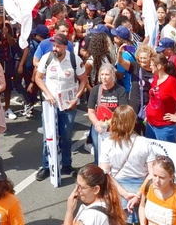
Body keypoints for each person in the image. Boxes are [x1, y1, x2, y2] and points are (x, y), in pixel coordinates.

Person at [35, 33, 88, 180]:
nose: (55, 48)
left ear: (65, 46)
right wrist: (48, 94)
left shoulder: (74, 60)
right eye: (54, 45)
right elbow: (38, 78)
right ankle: (46, 166)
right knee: (48, 137)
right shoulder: (47, 58)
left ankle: (66, 165)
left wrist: (76, 99)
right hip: (50, 105)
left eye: (58, 46)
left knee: (66, 137)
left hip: (68, 105)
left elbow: (83, 81)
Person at [100, 106, 157, 224]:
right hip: (141, 191)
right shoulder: (145, 142)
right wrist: (137, 196)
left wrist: (125, 194)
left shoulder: (107, 143)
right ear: (133, 122)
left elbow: (104, 174)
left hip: (116, 191)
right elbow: (152, 174)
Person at [87, 64, 129, 164]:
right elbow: (91, 111)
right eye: (102, 74)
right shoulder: (96, 90)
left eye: (107, 74)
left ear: (112, 76)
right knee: (99, 154)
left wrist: (107, 124)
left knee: (115, 155)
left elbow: (122, 112)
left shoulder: (120, 90)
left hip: (115, 126)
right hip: (98, 127)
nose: (104, 77)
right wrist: (97, 124)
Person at [145, 52, 176, 142]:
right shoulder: (156, 78)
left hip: (164, 128)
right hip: (150, 124)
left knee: (165, 154)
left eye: (151, 65)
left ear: (159, 66)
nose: (150, 67)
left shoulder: (171, 82)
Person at [139, 155, 176, 225]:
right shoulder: (148, 186)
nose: (157, 180)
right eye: (154, 175)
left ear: (171, 177)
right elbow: (142, 206)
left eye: (162, 177)